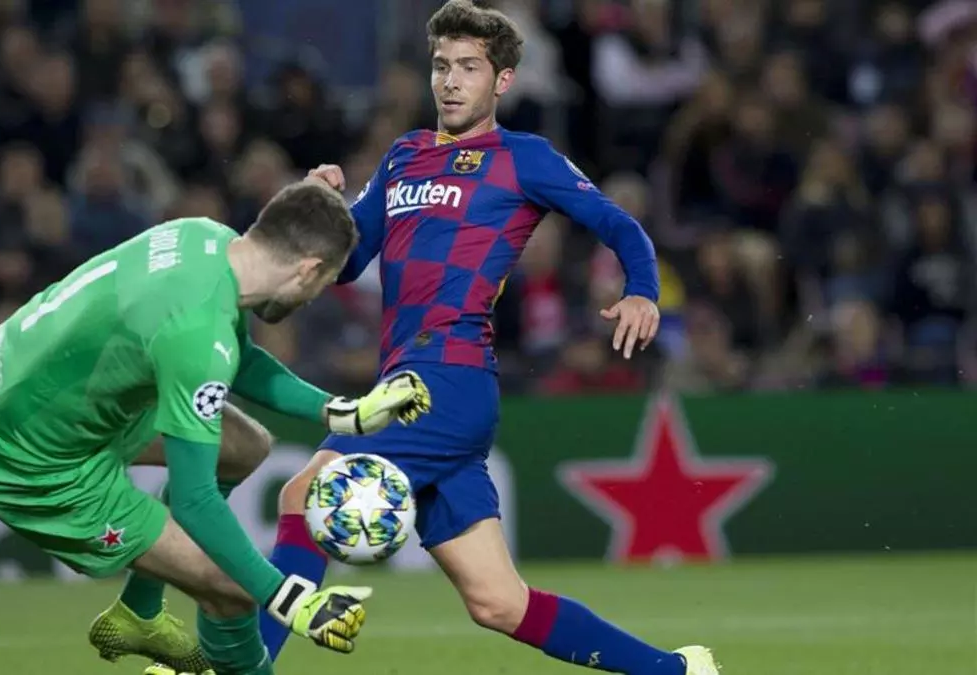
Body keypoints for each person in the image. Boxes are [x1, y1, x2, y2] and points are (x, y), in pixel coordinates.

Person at [251, 2, 715, 674]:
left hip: (445, 378)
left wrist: (642, 288)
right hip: (413, 382)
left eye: (469, 67)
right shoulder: (404, 155)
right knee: (499, 602)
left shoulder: (523, 158)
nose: (450, 80)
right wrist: (320, 206)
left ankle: (241, 667)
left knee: (302, 495)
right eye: (442, 65)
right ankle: (676, 670)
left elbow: (619, 224)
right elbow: (349, 262)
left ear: (503, 80)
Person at [0, 178, 432, 675]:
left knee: (244, 446)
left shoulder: (204, 239)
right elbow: (194, 501)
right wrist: (288, 598)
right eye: (324, 283)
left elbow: (238, 355)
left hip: (29, 387)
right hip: (35, 462)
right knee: (232, 592)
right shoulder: (196, 336)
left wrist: (341, 413)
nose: (314, 297)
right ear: (308, 269)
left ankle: (139, 612)